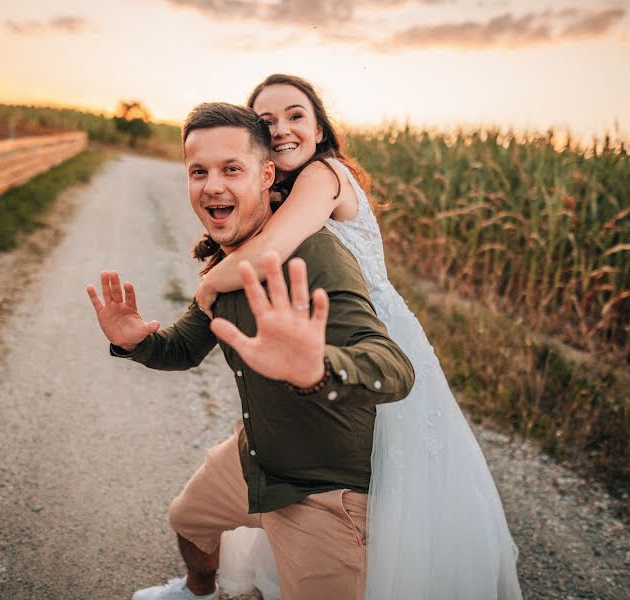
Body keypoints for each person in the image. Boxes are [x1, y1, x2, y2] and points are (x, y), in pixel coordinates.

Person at [195, 74, 524, 599]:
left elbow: (273, 248)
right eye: (267, 120)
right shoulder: (283, 185)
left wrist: (210, 283)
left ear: (320, 126)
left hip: (370, 335)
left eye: (296, 115)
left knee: (390, 472)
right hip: (328, 333)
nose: (281, 128)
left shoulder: (324, 174)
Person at [86, 101, 416, 600]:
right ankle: (198, 591)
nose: (212, 185)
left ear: (266, 175)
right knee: (188, 519)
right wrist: (135, 342)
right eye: (199, 171)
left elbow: (394, 368)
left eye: (230, 169)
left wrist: (317, 370)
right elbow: (183, 347)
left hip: (324, 492)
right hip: (254, 460)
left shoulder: (316, 253)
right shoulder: (230, 258)